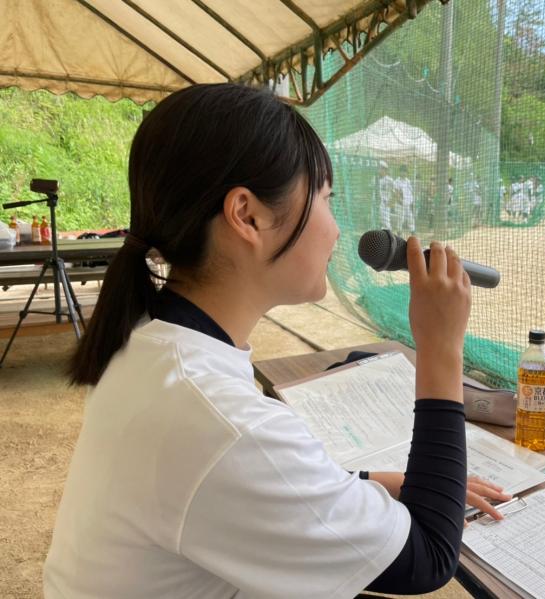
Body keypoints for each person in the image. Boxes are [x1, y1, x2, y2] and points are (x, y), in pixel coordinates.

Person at [43, 84, 511, 599]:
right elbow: (428, 555)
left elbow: (249, 479)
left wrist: (378, 482)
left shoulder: (155, 341)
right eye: (326, 199)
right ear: (247, 215)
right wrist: (441, 346)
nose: (336, 230)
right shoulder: (220, 421)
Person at [393, 164, 416, 234]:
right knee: (400, 219)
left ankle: (413, 232)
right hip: (400, 204)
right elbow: (396, 193)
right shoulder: (396, 181)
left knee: (410, 218)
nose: (404, 173)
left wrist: (411, 201)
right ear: (400, 172)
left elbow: (410, 192)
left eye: (405, 172)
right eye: (402, 171)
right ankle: (399, 234)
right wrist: (400, 200)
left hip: (407, 203)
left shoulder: (408, 181)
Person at [377, 160, 394, 229]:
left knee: (386, 222)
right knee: (381, 221)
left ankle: (389, 234)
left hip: (386, 203)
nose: (379, 170)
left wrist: (391, 202)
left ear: (385, 170)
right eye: (379, 168)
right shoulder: (377, 179)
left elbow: (394, 192)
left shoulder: (389, 180)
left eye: (381, 168)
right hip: (379, 203)